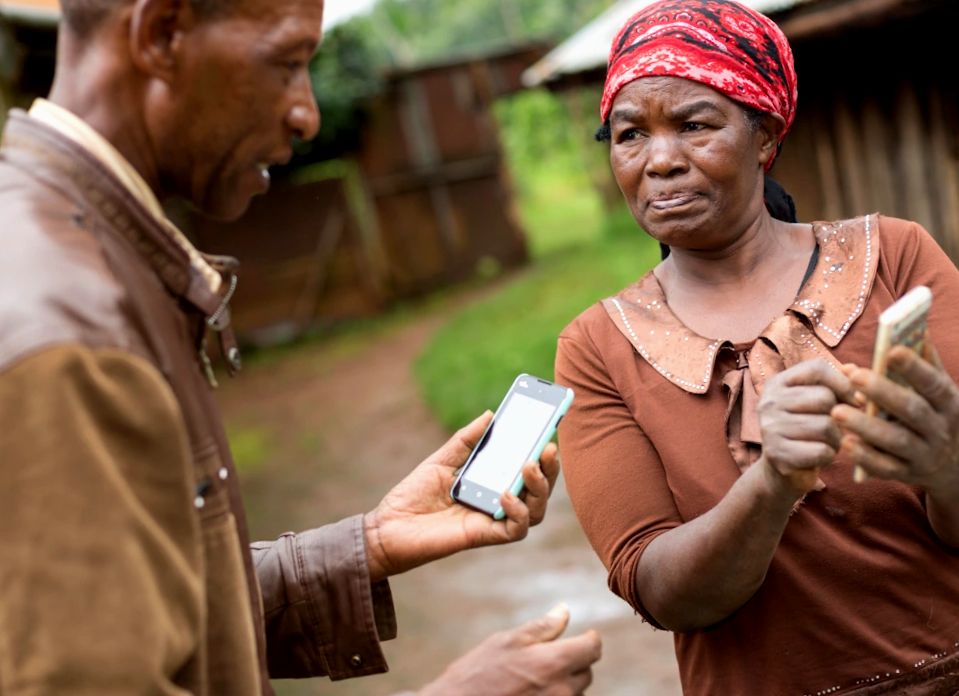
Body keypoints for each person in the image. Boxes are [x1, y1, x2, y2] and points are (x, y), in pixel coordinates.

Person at [0, 0, 603, 693]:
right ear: (162, 34)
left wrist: (368, 545)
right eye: (287, 63)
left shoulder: (78, 256)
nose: (307, 114)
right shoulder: (66, 332)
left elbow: (148, 606)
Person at [554, 1, 959, 694]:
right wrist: (770, 484)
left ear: (764, 136)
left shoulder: (893, 257)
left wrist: (947, 466)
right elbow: (663, 592)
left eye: (693, 125)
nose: (659, 161)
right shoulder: (596, 348)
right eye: (629, 135)